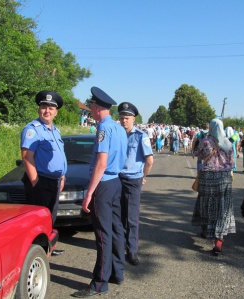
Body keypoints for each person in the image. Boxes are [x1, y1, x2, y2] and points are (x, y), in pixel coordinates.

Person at [73, 87, 128, 298]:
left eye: (92, 107)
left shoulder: (103, 128)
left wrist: (89, 193)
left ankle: (99, 283)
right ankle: (117, 272)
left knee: (103, 235)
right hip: (115, 182)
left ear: (96, 108)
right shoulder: (119, 128)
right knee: (116, 230)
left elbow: (101, 163)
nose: (92, 110)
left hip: (104, 184)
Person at [20, 90, 66, 256]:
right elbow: (27, 156)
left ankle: (47, 247)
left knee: (49, 218)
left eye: (51, 108)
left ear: (56, 112)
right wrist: (35, 182)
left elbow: (60, 155)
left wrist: (62, 175)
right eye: (44, 107)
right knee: (38, 221)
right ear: (39, 109)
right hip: (41, 181)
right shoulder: (33, 129)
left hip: (53, 181)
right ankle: (36, 254)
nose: (47, 111)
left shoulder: (55, 130)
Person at [191, 118, 235, 255]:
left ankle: (206, 230)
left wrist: (194, 145)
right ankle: (219, 239)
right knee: (222, 208)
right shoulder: (228, 143)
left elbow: (197, 155)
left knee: (206, 204)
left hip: (208, 177)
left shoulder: (205, 141)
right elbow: (232, 163)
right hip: (225, 178)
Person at [118, 102, 153, 266]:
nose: (124, 121)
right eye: (122, 117)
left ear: (134, 119)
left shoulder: (141, 136)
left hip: (132, 180)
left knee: (131, 217)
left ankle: (131, 250)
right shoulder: (117, 134)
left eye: (127, 118)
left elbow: (149, 160)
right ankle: (119, 246)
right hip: (116, 179)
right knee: (118, 216)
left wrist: (142, 176)